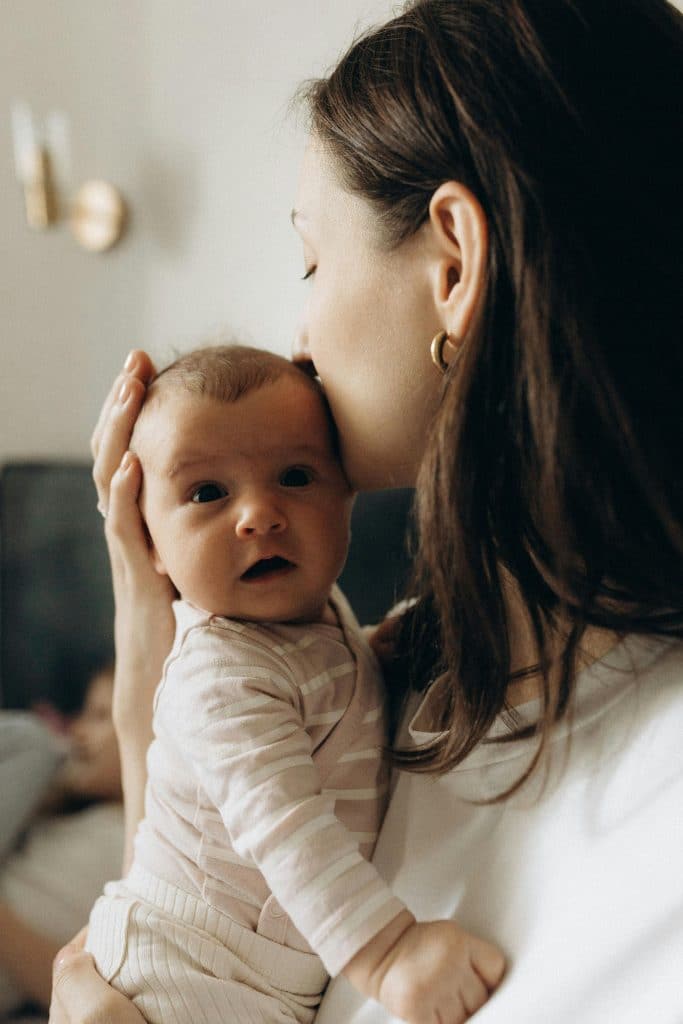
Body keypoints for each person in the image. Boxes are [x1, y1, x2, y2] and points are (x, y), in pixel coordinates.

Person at [50, 0, 683, 1022]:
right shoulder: (414, 680)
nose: (297, 337)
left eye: (311, 258)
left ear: (451, 266)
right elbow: (211, 913)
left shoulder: (645, 814)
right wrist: (150, 619)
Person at [83, 344, 504, 1024]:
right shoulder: (217, 677)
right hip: (182, 968)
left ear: (348, 493)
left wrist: (378, 650)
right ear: (150, 544)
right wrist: (390, 954)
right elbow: (285, 827)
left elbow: (315, 702)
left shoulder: (319, 617)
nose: (258, 513)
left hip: (260, 967)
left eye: (296, 475)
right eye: (207, 492)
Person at [0, 665, 123, 1015]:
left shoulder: (135, 837)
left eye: (100, 715)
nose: (78, 731)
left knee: (31, 741)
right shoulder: (67, 815)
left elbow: (56, 982)